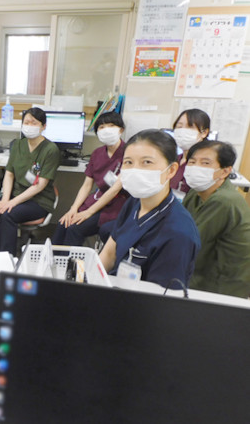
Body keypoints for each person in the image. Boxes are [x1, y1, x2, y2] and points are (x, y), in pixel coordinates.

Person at [99, 129, 201, 288]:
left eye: (146, 162)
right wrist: (89, 280)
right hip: (115, 287)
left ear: (171, 170)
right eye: (128, 162)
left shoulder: (178, 233)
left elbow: (161, 297)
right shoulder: (134, 203)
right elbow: (109, 253)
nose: (135, 170)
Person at [0, 108, 60, 256]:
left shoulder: (51, 150)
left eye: (34, 123)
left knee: (8, 214)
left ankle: (8, 258)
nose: (29, 126)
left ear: (43, 126)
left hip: (38, 200)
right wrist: (5, 200)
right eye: (26, 122)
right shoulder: (18, 145)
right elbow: (9, 174)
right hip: (15, 194)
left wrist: (11, 203)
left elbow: (40, 185)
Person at [182, 140, 250, 298]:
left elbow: (190, 244)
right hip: (201, 270)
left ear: (225, 171)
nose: (196, 167)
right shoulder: (196, 193)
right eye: (192, 162)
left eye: (205, 163)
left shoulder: (224, 201)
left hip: (221, 285)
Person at [52, 111, 127, 246]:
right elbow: (86, 185)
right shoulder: (97, 153)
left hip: (116, 206)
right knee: (63, 223)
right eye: (102, 127)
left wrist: (88, 213)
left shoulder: (128, 153)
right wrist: (73, 209)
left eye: (111, 126)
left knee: (75, 228)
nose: (106, 130)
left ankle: (72, 260)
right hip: (97, 199)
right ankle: (52, 257)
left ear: (121, 130)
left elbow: (115, 190)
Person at [170, 108, 211, 200]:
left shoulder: (204, 164)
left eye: (190, 127)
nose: (182, 131)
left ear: (204, 132)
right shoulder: (176, 159)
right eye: (179, 127)